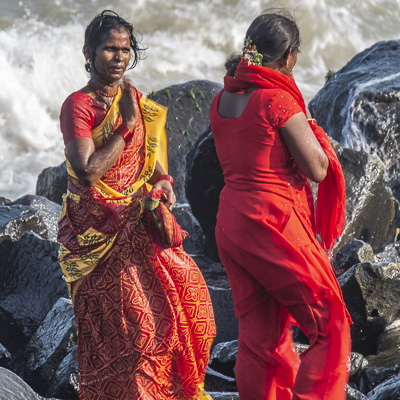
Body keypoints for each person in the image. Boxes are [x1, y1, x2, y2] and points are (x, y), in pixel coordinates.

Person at [57, 10, 215, 400]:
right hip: (97, 237)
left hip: (139, 227)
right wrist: (125, 126)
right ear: (89, 52)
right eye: (109, 49)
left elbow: (152, 158)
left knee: (186, 313)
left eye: (125, 50)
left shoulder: (134, 99)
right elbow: (89, 171)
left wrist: (162, 180)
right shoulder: (77, 106)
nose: (118, 57)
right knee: (128, 336)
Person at [209, 10, 352, 400]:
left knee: (260, 334)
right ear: (288, 57)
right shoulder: (279, 101)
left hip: (232, 223)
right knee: (331, 321)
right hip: (273, 223)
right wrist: (318, 136)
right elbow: (317, 169)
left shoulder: (223, 98)